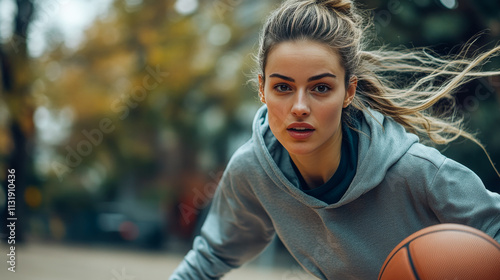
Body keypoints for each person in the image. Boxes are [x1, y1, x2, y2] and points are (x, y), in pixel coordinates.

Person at [170, 0, 500, 279]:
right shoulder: (253, 170)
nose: (299, 108)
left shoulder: (416, 172)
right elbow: (209, 257)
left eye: (321, 88)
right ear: (261, 89)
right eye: (282, 87)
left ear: (348, 92)